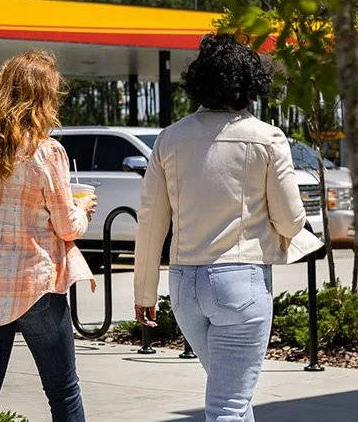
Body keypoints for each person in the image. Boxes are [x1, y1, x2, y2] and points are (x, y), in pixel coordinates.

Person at [133, 33, 321, 422]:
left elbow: (151, 223)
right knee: (229, 404)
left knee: (231, 396)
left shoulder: (169, 138)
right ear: (250, 85)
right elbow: (290, 219)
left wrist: (144, 291)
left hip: (184, 287)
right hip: (241, 283)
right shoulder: (267, 138)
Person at [0, 50, 98, 422]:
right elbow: (66, 227)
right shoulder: (47, 152)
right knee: (63, 392)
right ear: (43, 97)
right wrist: (84, 210)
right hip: (36, 287)